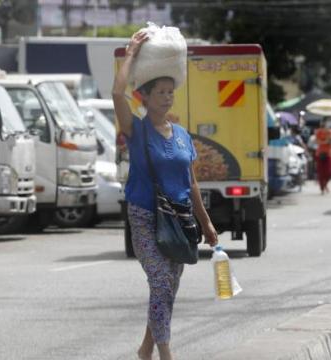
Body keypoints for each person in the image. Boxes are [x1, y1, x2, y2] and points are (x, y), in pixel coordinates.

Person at [112, 30, 218, 360]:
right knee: (160, 283)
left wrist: (208, 224)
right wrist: (131, 53)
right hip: (144, 218)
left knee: (167, 289)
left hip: (180, 220)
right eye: (160, 92)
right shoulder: (136, 130)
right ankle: (166, 354)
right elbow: (117, 94)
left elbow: (192, 183)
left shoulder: (183, 135)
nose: (167, 97)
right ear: (145, 96)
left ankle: (145, 350)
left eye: (170, 92)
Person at [314, 118, 331, 194]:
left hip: (329, 154)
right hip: (320, 153)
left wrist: (328, 136)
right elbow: (317, 141)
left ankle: (325, 185)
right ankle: (322, 188)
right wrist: (325, 141)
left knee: (329, 172)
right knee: (321, 172)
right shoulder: (318, 131)